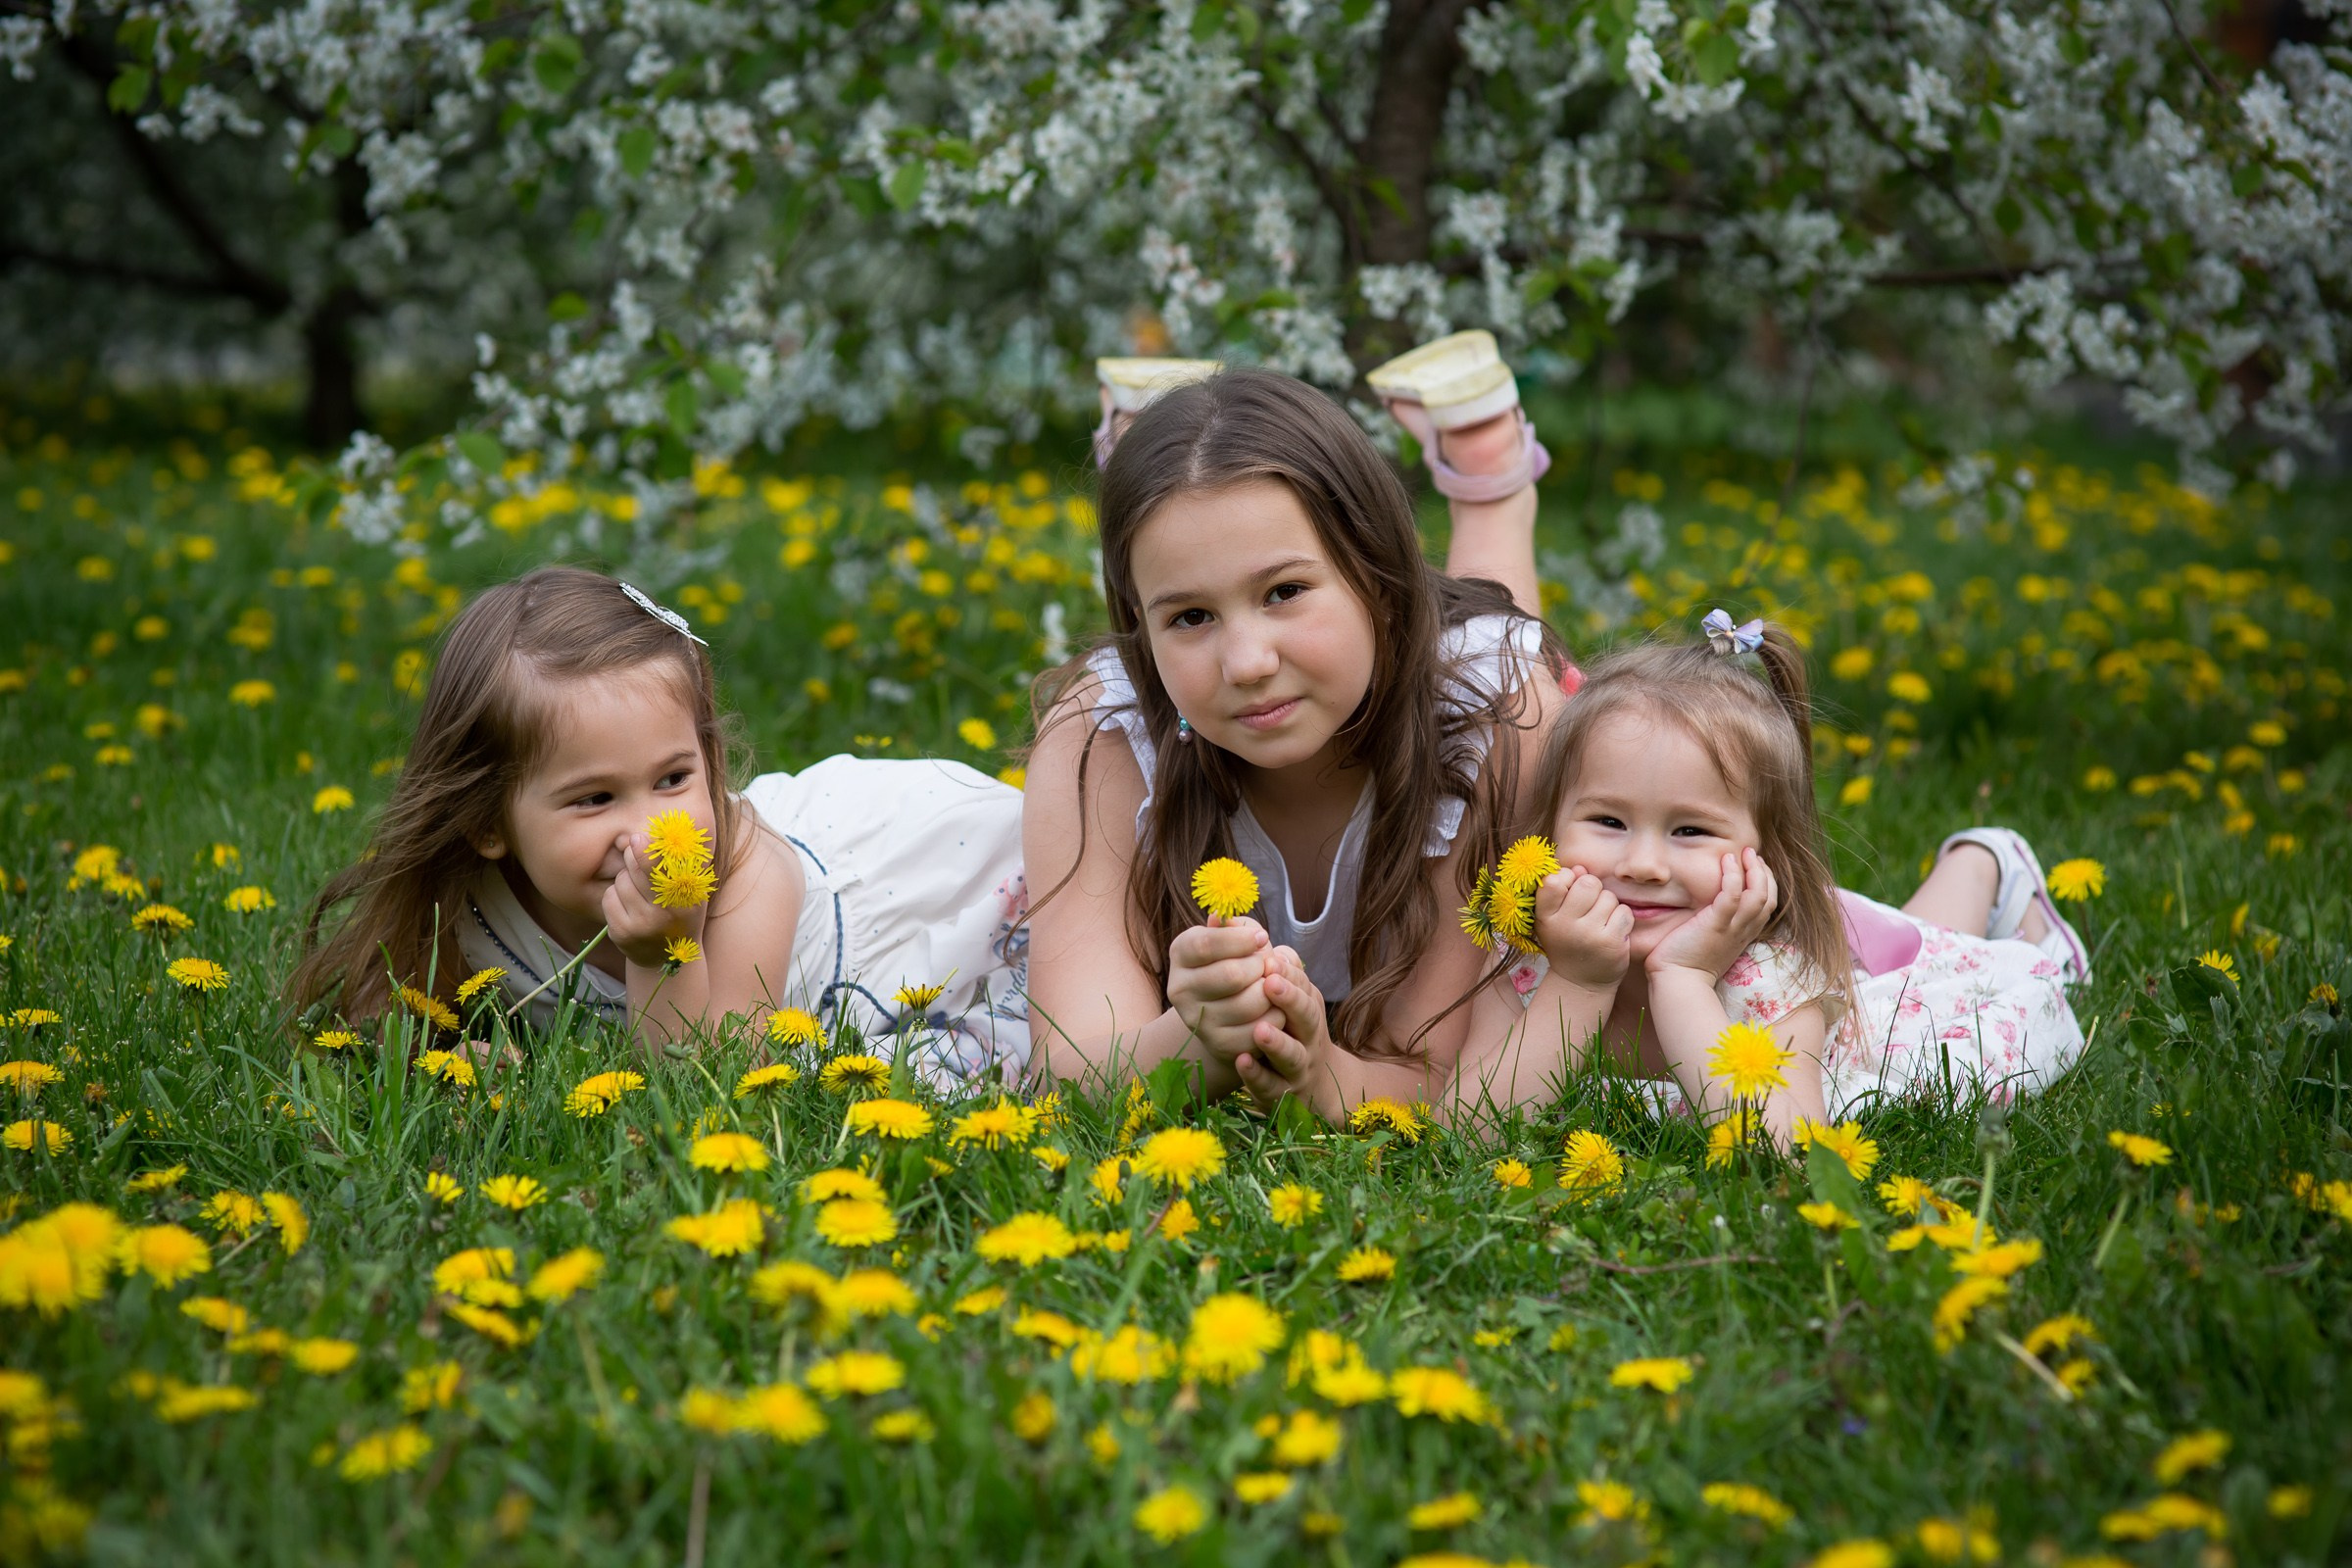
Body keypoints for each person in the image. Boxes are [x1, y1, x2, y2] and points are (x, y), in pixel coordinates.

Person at [1241, 618, 2086, 1136]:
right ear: (1547, 825)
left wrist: (1682, 976)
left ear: (1767, 850)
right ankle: (1977, 866)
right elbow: (1477, 1126)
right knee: (1898, 921)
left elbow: (1779, 1143)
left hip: (1862, 966)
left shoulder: (1775, 979)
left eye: (1689, 830)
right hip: (1697, 922)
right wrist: (1578, 978)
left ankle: (1984, 860)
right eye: (1606, 823)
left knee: (1930, 937)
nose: (1642, 864)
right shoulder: (1534, 951)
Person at [1022, 358, 1573, 1106]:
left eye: (1284, 592)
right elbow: (1069, 1068)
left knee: (1505, 629)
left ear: (1378, 576)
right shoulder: (1104, 733)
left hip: (1449, 679)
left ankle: (1492, 480)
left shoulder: (1499, 721)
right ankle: (1146, 437)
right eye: (1189, 616)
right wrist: (1195, 1040)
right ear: (1141, 633)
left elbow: (1439, 1075)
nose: (1247, 665)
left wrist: (1321, 1074)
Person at [289, 566, 1030, 1084]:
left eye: (674, 780)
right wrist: (447, 1058)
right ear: (488, 822)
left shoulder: (748, 877)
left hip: (943, 883)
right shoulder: (472, 908)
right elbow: (395, 1017)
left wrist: (666, 949)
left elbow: (704, 1083)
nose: (650, 832)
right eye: (595, 799)